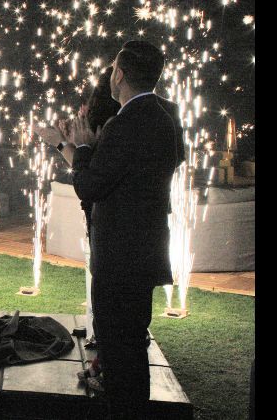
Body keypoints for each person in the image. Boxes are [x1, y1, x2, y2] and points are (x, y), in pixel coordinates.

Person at [66, 40, 184, 418]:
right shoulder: (167, 118)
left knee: (119, 353)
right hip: (146, 252)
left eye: (113, 69)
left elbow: (90, 186)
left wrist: (83, 149)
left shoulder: (125, 124)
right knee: (133, 346)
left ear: (118, 74)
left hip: (118, 259)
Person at [34, 67, 121, 389]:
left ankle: (116, 380)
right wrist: (62, 144)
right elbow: (86, 166)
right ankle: (105, 364)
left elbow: (90, 178)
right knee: (105, 304)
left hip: (114, 226)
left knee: (113, 306)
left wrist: (79, 145)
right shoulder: (108, 120)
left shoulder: (116, 124)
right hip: (100, 220)